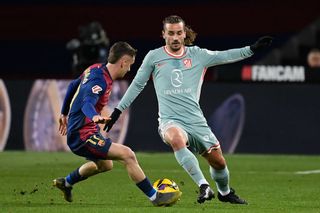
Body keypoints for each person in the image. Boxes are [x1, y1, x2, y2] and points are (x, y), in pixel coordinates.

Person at [104, 15, 273, 204]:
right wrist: (118, 111)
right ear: (163, 35)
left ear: (184, 34)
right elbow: (136, 85)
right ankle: (203, 186)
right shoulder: (154, 56)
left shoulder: (198, 55)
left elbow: (224, 55)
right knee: (176, 139)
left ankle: (224, 193)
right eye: (171, 33)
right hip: (169, 121)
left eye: (178, 33)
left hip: (196, 121)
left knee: (219, 162)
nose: (175, 37)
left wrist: (251, 49)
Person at [53, 41, 181, 206]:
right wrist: (94, 117)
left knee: (106, 165)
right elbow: (87, 104)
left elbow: (73, 85)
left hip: (85, 130)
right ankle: (155, 197)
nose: (129, 69)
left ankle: (66, 182)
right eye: (130, 65)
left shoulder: (95, 68)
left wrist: (64, 113)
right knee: (127, 154)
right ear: (123, 62)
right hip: (82, 134)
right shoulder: (100, 82)